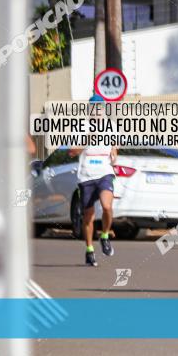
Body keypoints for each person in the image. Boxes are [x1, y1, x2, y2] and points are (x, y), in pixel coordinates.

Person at [69, 94, 118, 267]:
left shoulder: (110, 126)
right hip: (86, 175)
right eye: (94, 108)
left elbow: (114, 145)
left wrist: (114, 152)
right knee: (88, 215)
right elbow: (72, 151)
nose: (97, 112)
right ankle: (89, 250)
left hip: (105, 172)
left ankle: (104, 235)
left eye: (100, 108)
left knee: (107, 206)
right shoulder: (81, 127)